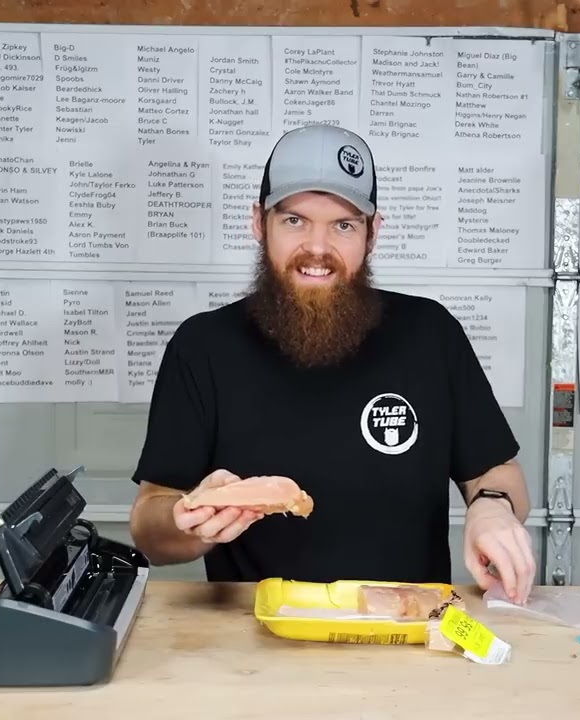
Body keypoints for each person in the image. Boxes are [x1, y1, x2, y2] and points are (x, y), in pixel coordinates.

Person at [127, 123, 535, 603]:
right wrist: (189, 521)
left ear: (372, 233)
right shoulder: (203, 345)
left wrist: (491, 508)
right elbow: (148, 525)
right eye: (294, 220)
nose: (317, 248)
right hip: (252, 643)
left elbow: (498, 473)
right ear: (259, 223)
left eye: (343, 224)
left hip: (406, 634)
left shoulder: (430, 333)